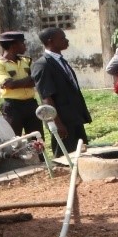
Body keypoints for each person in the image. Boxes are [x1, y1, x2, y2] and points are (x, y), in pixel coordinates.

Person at [31, 27, 91, 155]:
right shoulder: (43, 64)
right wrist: (57, 123)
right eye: (62, 38)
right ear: (51, 41)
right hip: (62, 119)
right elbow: (46, 96)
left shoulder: (60, 61)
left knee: (81, 152)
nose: (67, 40)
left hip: (74, 116)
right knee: (64, 155)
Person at [0, 31, 41, 137]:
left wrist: (15, 84)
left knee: (37, 139)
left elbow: (36, 80)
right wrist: (30, 79)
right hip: (13, 107)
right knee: (14, 140)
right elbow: (9, 84)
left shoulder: (26, 61)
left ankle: (37, 155)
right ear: (14, 45)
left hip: (31, 104)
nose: (25, 46)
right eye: (22, 43)